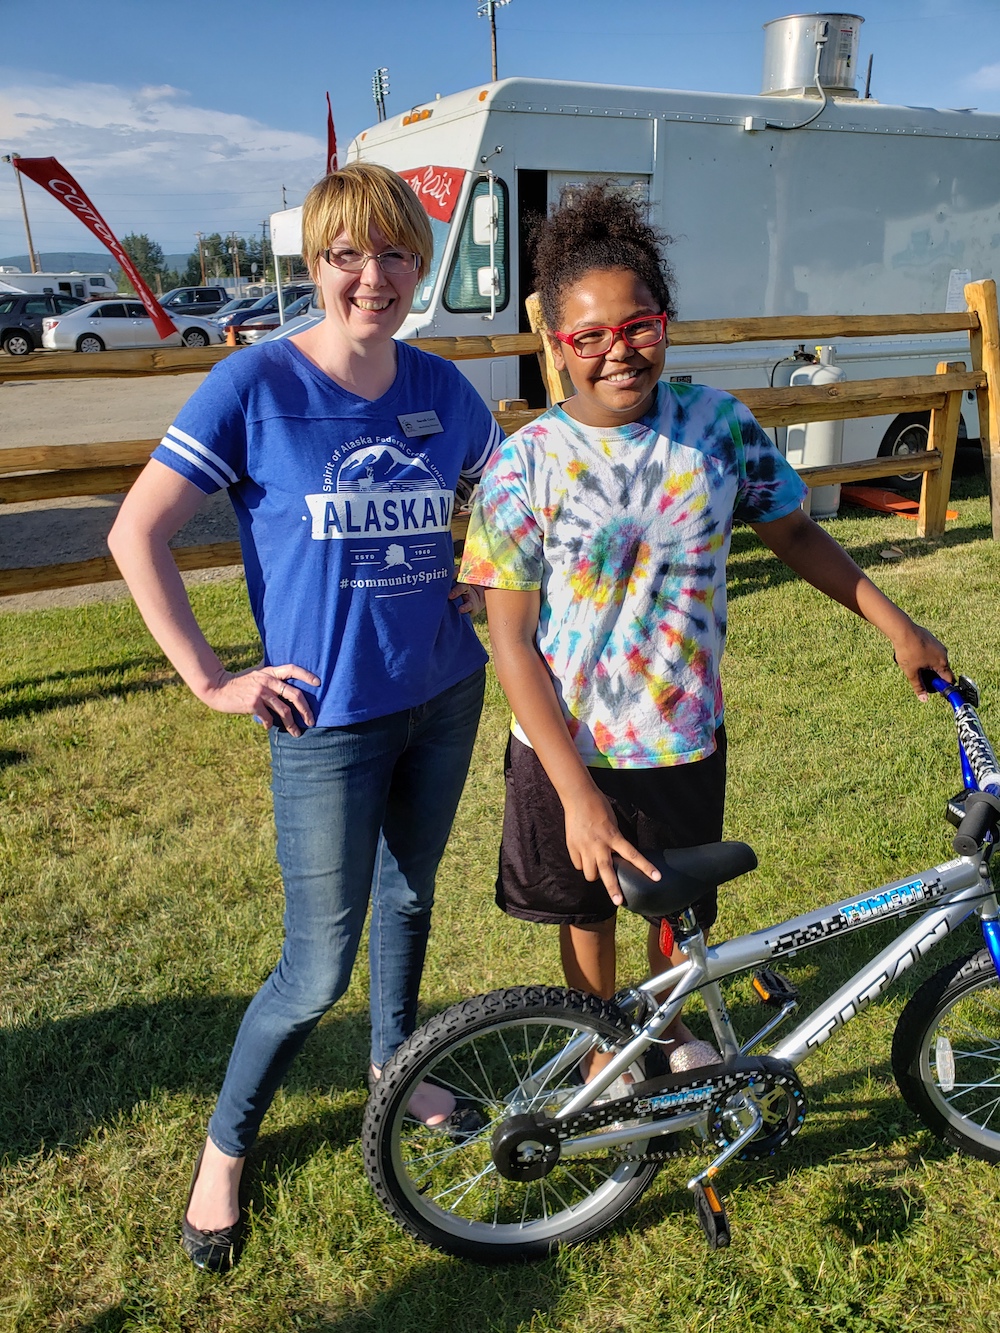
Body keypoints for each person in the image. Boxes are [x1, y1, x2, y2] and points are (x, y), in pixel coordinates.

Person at [459, 183, 952, 1081]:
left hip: (680, 735)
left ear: (666, 323)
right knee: (588, 911)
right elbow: (512, 643)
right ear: (558, 346)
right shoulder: (523, 465)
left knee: (675, 911)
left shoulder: (719, 428)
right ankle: (604, 1047)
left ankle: (668, 1030)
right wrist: (576, 793)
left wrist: (898, 625)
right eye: (590, 336)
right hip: (565, 746)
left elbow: (796, 533)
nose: (618, 350)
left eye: (638, 325)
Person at [108, 162, 501, 1272]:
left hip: (444, 694)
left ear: (419, 266)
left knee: (410, 895)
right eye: (346, 255)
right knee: (314, 968)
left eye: (394, 254)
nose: (372, 277)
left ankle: (395, 1069)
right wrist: (209, 677)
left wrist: (481, 570)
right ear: (315, 265)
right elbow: (136, 532)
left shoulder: (443, 387)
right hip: (325, 722)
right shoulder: (255, 384)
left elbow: (510, 492)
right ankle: (224, 1149)